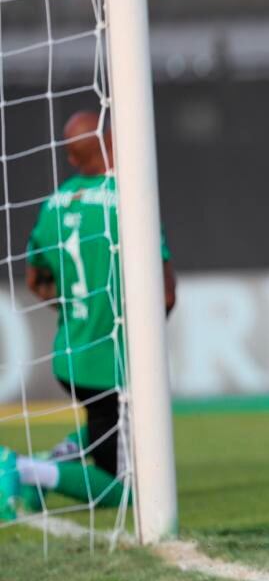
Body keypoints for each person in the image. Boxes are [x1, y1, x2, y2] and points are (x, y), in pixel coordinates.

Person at [1, 110, 176, 519]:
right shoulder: (130, 198)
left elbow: (36, 279)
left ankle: (54, 460)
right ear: (111, 140)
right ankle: (26, 469)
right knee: (128, 488)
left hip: (71, 354)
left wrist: (76, 309)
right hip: (113, 363)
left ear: (72, 158)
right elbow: (166, 291)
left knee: (114, 424)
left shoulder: (55, 203)